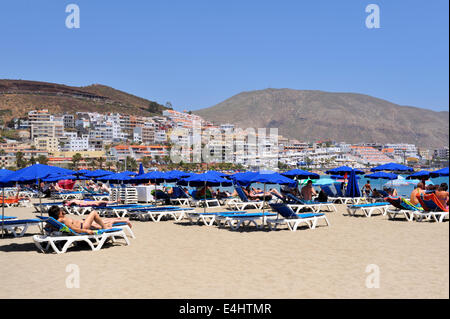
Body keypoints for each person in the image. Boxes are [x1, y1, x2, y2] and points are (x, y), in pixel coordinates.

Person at [47, 206, 131, 234]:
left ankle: (117, 222)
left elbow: (48, 225)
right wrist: (86, 231)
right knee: (94, 212)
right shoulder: (63, 219)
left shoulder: (57, 220)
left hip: (83, 224)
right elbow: (74, 229)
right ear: (59, 213)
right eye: (60, 210)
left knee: (102, 221)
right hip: (84, 226)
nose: (62, 211)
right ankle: (106, 227)